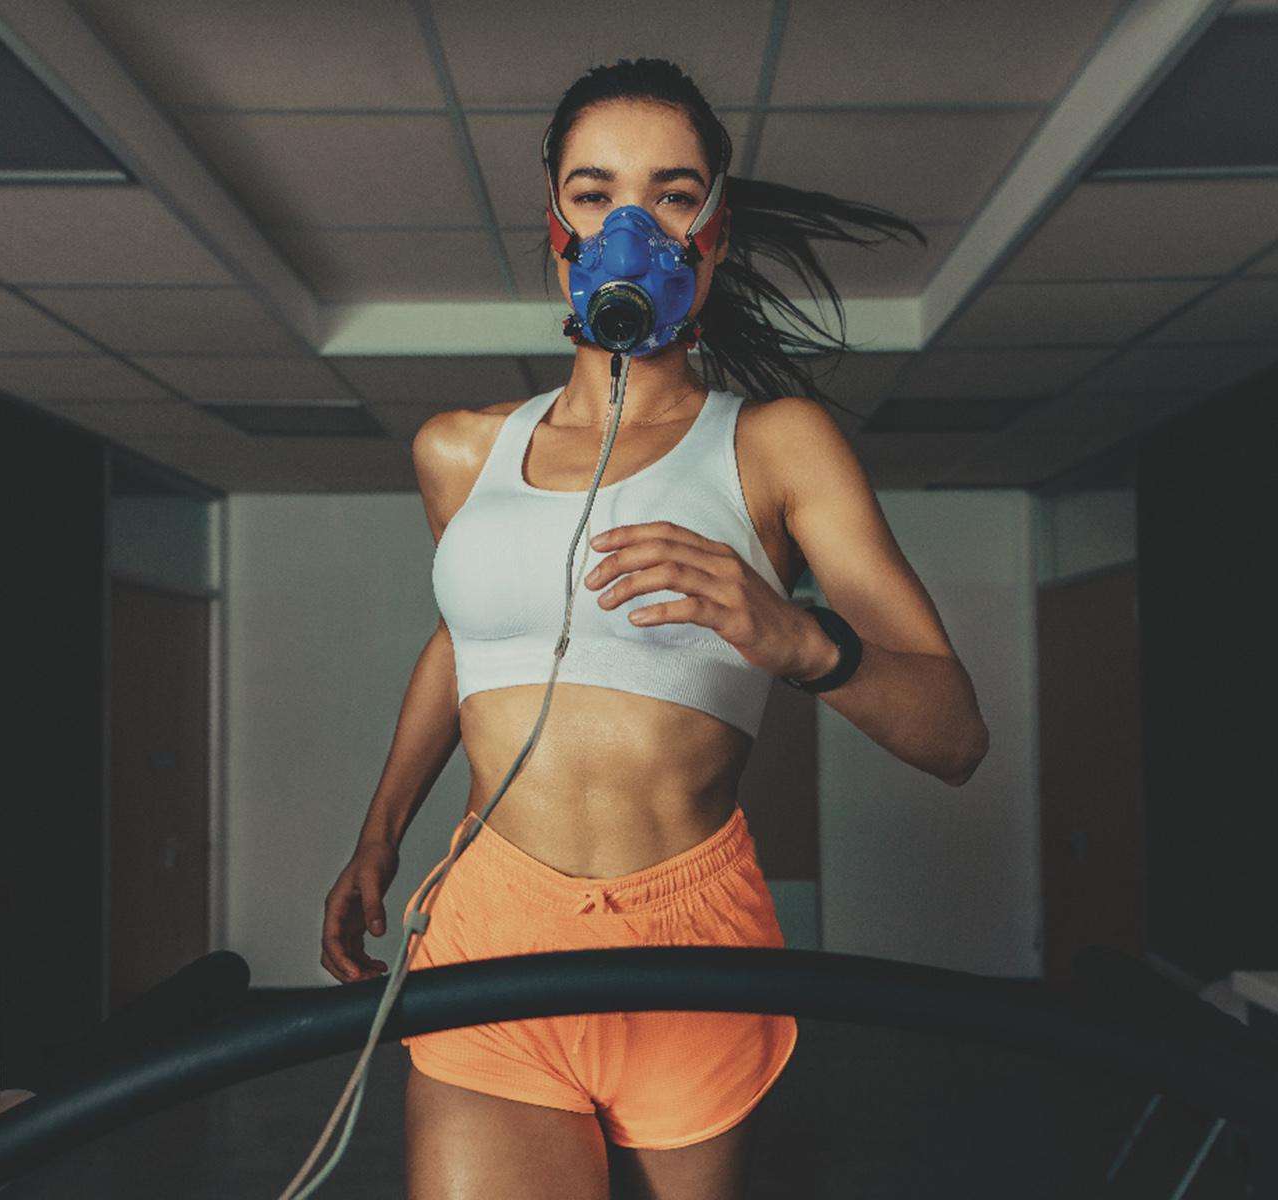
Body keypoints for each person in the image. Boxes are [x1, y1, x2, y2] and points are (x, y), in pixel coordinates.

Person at [320, 57, 991, 1200]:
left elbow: (956, 737)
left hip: (690, 931)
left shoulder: (778, 446)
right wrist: (381, 830)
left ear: (714, 233)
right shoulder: (457, 449)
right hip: (493, 914)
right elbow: (466, 639)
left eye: (672, 195)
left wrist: (797, 639)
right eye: (596, 193)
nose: (632, 224)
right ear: (557, 228)